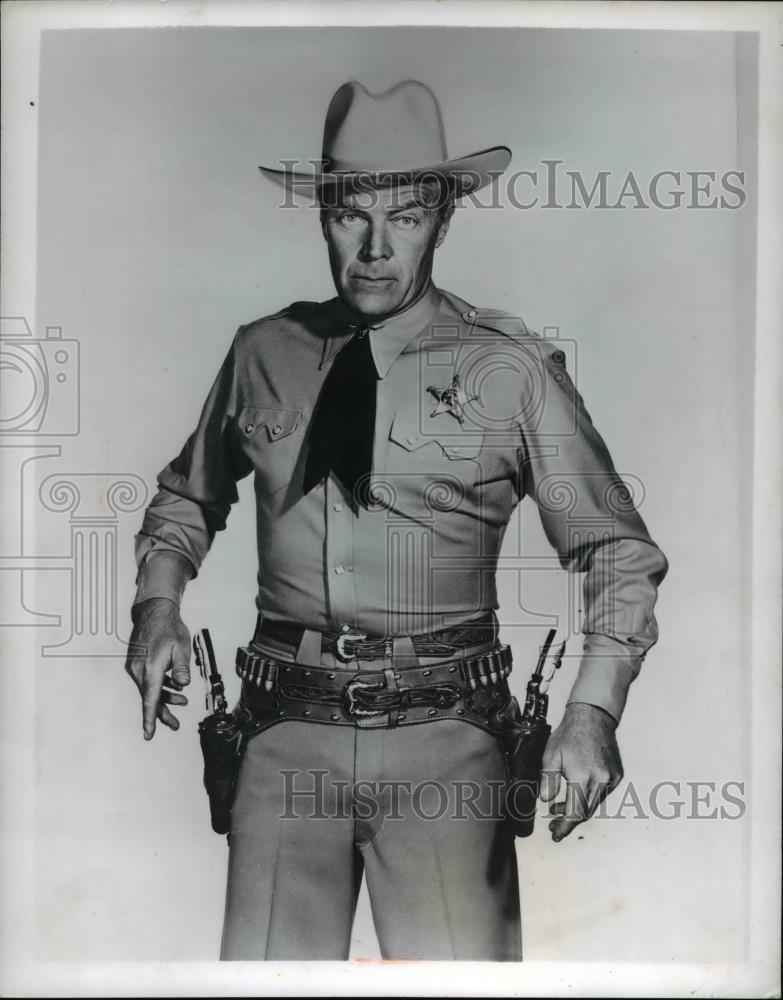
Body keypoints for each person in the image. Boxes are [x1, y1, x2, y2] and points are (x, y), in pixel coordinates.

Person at [126, 80, 668, 961]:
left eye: (407, 216)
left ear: (444, 219)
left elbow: (614, 549)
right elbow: (189, 497)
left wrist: (593, 712)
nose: (376, 248)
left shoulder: (509, 369)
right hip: (280, 740)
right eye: (350, 215)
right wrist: (156, 608)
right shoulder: (263, 351)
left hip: (447, 748)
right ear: (322, 219)